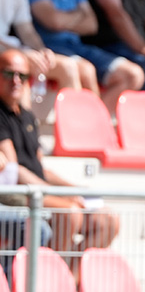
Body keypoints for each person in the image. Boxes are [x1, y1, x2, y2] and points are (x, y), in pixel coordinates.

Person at [0, 48, 119, 279]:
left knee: (108, 220)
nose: (16, 81)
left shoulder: (27, 117)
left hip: (40, 190)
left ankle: (66, 280)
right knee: (69, 212)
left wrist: (75, 189)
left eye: (22, 76)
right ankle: (44, 282)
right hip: (18, 193)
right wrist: (60, 194)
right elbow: (15, 172)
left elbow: (41, 168)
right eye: (8, 74)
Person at [19, 0, 145, 117]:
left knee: (133, 75)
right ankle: (87, 129)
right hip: (52, 47)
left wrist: (64, 19)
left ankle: (95, 123)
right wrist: (79, 16)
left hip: (78, 47)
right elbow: (53, 21)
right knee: (86, 70)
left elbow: (92, 24)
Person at [1, 0, 99, 102]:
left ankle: (80, 124)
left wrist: (41, 51)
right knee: (21, 67)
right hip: (9, 54)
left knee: (68, 67)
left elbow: (27, 32)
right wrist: (20, 53)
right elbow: (53, 21)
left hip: (13, 53)